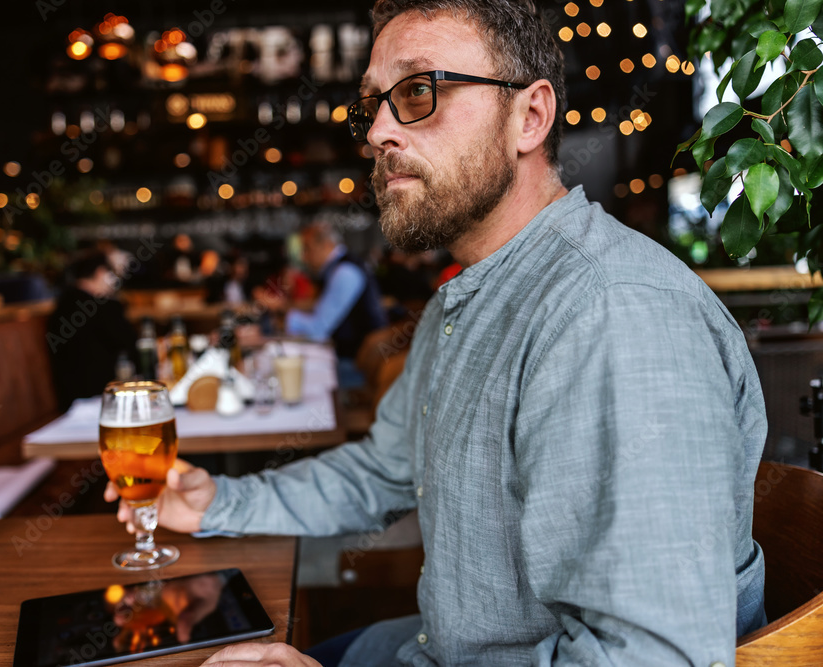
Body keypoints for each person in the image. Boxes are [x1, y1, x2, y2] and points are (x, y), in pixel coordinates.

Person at [107, 1, 767, 665]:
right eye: (373, 105)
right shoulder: (471, 295)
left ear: (529, 116)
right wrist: (219, 500)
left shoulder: (613, 315)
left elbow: (650, 658)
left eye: (420, 91)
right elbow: (379, 472)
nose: (377, 134)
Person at [257, 221, 387, 387]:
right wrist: (283, 306)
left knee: (282, 378)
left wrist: (284, 318)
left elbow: (319, 329)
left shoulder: (345, 272)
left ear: (327, 245)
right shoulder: (337, 269)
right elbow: (319, 307)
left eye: (307, 249)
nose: (304, 257)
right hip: (345, 358)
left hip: (355, 367)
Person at [47, 252, 137, 412]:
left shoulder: (62, 306)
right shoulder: (103, 307)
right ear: (100, 273)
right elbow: (130, 343)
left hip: (69, 400)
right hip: (100, 399)